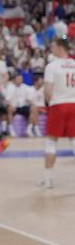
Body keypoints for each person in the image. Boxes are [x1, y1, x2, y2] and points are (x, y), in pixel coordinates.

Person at [39, 37, 74, 189]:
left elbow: (47, 91)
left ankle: (47, 180)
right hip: (74, 104)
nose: (52, 49)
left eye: (53, 46)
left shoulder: (52, 66)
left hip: (58, 105)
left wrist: (49, 104)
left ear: (61, 48)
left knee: (51, 142)